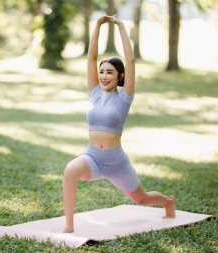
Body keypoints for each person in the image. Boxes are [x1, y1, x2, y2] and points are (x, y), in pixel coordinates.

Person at [62, 15, 175, 233]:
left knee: (141, 199)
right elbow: (91, 59)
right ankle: (69, 225)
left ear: (120, 76)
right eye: (102, 72)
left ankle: (168, 201)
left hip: (116, 162)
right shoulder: (94, 94)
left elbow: (131, 61)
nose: (103, 76)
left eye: (109, 72)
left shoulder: (124, 98)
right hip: (93, 157)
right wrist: (96, 26)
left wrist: (121, 27)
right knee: (70, 171)